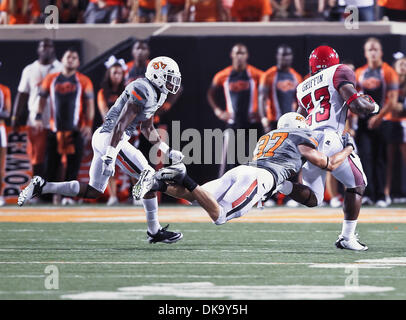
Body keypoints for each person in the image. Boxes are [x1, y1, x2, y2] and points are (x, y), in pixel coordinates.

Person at [18, 56, 184, 244]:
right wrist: (110, 155)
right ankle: (154, 231)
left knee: (93, 190)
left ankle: (42, 186)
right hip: (111, 138)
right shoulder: (142, 88)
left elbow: (147, 128)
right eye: (169, 77)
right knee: (148, 175)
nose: (173, 82)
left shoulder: (156, 93)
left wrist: (167, 149)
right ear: (157, 76)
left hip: (107, 138)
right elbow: (121, 124)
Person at [133, 112, 357, 241]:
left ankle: (159, 183)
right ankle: (184, 175)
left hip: (242, 170)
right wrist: (347, 148)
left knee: (195, 196)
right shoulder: (301, 136)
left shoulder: (267, 137)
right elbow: (327, 164)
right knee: (219, 215)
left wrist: (282, 185)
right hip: (259, 178)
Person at [295, 45, 379, 251]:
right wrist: (374, 106)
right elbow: (357, 106)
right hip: (329, 137)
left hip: (308, 140)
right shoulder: (340, 71)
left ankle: (282, 186)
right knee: (358, 184)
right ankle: (347, 237)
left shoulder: (302, 87)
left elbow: (298, 119)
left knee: (313, 198)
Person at [36, 48, 95, 205]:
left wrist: (89, 125)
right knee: (51, 165)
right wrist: (37, 116)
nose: (70, 59)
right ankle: (47, 197)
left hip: (75, 130)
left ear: (78, 62)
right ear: (62, 59)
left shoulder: (84, 81)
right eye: (68, 56)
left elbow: (90, 105)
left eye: (74, 57)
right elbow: (41, 98)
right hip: (55, 129)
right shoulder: (51, 78)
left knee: (73, 166)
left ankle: (68, 197)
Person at [207, 43, 264, 177]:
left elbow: (268, 92)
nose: (239, 56)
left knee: (254, 161)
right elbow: (210, 93)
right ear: (232, 55)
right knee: (229, 162)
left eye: (242, 53)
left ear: (247, 56)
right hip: (233, 123)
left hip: (252, 124)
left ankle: (257, 194)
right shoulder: (223, 75)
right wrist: (218, 111)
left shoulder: (256, 74)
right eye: (237, 53)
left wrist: (262, 112)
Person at [354, 37, 399, 207]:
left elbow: (392, 100)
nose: (373, 52)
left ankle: (381, 195)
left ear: (381, 52)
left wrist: (378, 117)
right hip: (363, 122)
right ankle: (368, 194)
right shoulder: (359, 73)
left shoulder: (389, 72)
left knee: (381, 158)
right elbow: (354, 98)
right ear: (365, 53)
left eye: (375, 49)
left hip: (383, 120)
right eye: (369, 50)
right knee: (365, 158)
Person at [11, 39, 63, 182]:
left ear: (54, 49)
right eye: (43, 46)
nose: (46, 49)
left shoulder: (61, 68)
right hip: (35, 120)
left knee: (59, 157)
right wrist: (15, 116)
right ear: (38, 49)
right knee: (36, 158)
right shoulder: (29, 70)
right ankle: (37, 190)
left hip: (57, 120)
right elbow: (22, 94)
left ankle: (58, 193)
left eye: (49, 46)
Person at [258, 44, 302, 207]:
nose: (285, 58)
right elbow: (261, 98)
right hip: (273, 122)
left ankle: (290, 197)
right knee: (269, 161)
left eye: (288, 55)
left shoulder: (295, 76)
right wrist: (264, 119)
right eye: (282, 55)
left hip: (291, 126)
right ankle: (268, 196)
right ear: (277, 57)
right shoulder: (269, 75)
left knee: (292, 161)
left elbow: (300, 102)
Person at [97, 56, 127, 205]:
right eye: (114, 72)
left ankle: (136, 196)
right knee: (109, 163)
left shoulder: (127, 91)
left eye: (119, 73)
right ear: (109, 73)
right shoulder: (103, 92)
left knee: (130, 164)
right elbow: (105, 114)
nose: (117, 76)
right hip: (110, 132)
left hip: (126, 133)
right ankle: (113, 196)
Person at [383, 56, 406, 204]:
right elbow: (388, 104)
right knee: (388, 161)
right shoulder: (390, 82)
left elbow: (400, 107)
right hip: (390, 122)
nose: (403, 66)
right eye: (401, 64)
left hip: (404, 123)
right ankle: (385, 193)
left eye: (405, 64)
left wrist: (398, 107)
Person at [0, 79, 11, 206]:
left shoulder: (4, 89)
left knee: (0, 165)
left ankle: (0, 194)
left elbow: (6, 112)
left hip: (0, 128)